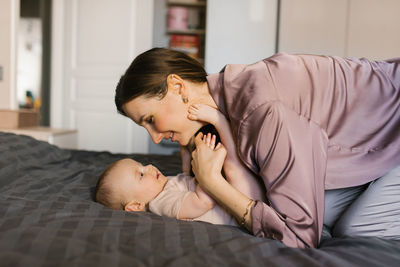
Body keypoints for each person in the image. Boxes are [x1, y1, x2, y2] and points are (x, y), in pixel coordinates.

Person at [115, 48, 400, 248]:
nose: (154, 138)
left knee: (356, 228)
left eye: (150, 120)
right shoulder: (230, 93)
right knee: (322, 212)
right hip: (377, 139)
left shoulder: (262, 112)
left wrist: (213, 183)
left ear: (177, 87)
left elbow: (298, 239)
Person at [95, 105, 265, 226]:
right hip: (238, 212)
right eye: (140, 175)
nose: (149, 168)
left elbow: (184, 180)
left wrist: (187, 153)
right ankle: (220, 121)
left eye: (142, 165)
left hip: (234, 195)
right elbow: (203, 202)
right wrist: (208, 166)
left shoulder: (160, 187)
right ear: (135, 206)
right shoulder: (160, 203)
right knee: (232, 164)